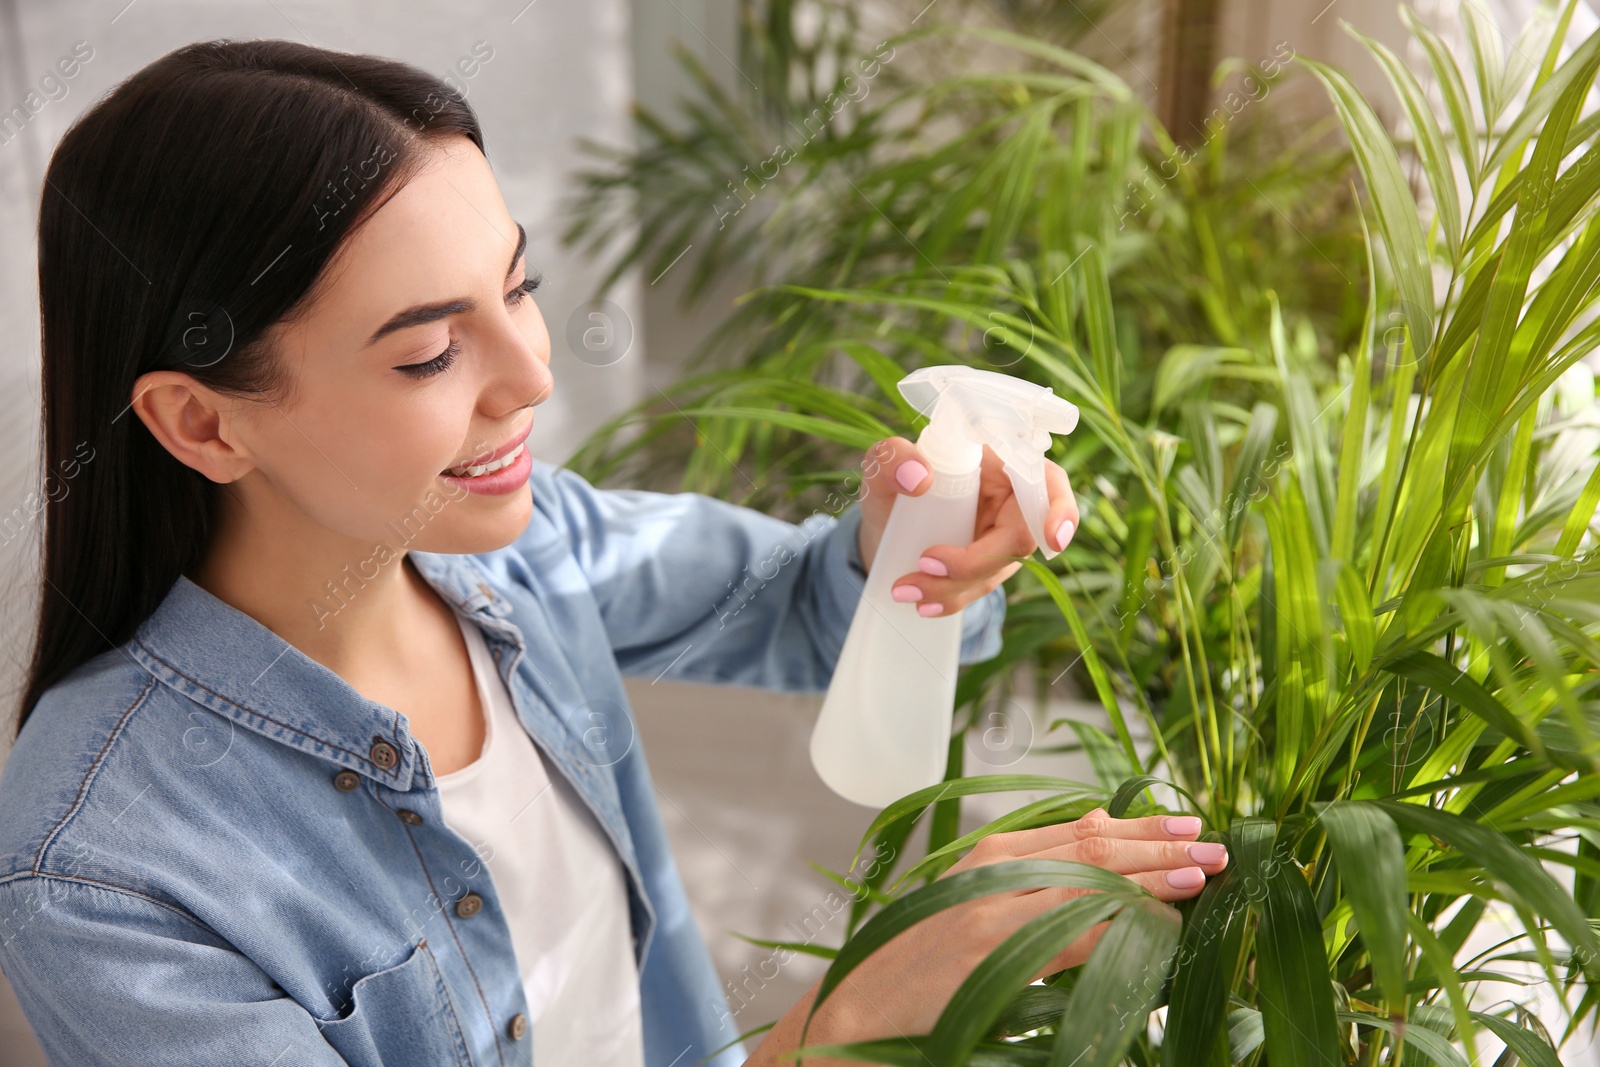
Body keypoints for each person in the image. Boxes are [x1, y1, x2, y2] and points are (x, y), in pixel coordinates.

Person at [0, 39, 1228, 1067]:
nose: (533, 375)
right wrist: (847, 1021)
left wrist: (911, 539)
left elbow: (810, 602)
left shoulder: (527, 553)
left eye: (518, 287)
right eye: (429, 353)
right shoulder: (101, 875)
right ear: (203, 421)